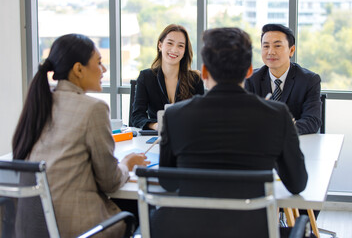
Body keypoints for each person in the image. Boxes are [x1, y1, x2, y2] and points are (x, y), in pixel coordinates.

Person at [158, 27, 309, 237]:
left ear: (203, 72)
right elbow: (297, 183)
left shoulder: (174, 116)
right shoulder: (277, 115)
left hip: (192, 231)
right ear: (249, 71)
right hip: (253, 231)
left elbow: (168, 182)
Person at [12, 34, 149, 238]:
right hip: (79, 230)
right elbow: (110, 182)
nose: (104, 70)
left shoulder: (39, 103)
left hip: (33, 228)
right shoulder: (94, 108)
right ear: (78, 69)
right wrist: (127, 163)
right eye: (99, 62)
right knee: (144, 209)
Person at [245, 23, 321, 135]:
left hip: (294, 144)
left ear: (291, 50)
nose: (271, 52)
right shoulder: (251, 79)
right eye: (266, 46)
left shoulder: (309, 80)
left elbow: (312, 121)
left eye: (277, 46)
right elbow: (245, 118)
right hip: (260, 145)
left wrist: (279, 128)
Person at [131, 24, 204, 130]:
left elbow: (201, 117)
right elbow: (137, 116)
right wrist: (157, 126)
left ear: (184, 51)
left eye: (180, 46)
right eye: (170, 43)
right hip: (157, 138)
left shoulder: (195, 79)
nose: (174, 50)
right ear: (160, 45)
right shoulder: (146, 77)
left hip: (187, 137)